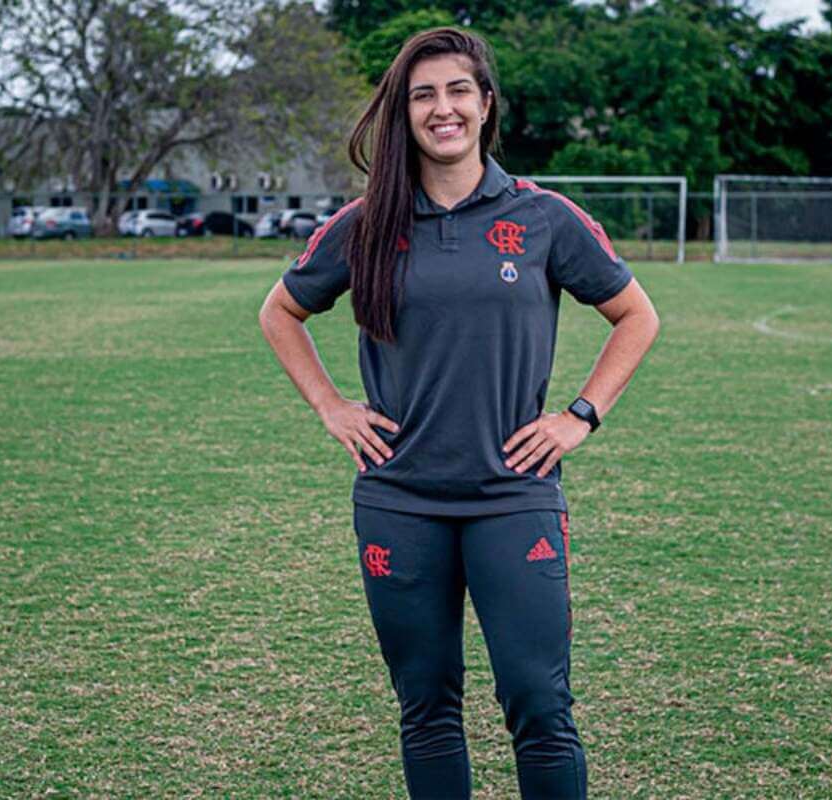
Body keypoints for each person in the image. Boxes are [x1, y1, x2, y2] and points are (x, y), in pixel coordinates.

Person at [257, 27, 660, 800]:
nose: (442, 109)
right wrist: (331, 405)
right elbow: (280, 311)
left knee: (541, 706)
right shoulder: (367, 223)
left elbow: (636, 315)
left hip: (513, 495)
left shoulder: (542, 217)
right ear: (404, 114)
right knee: (428, 710)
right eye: (423, 95)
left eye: (457, 91)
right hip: (398, 499)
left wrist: (579, 415)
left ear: (484, 104)